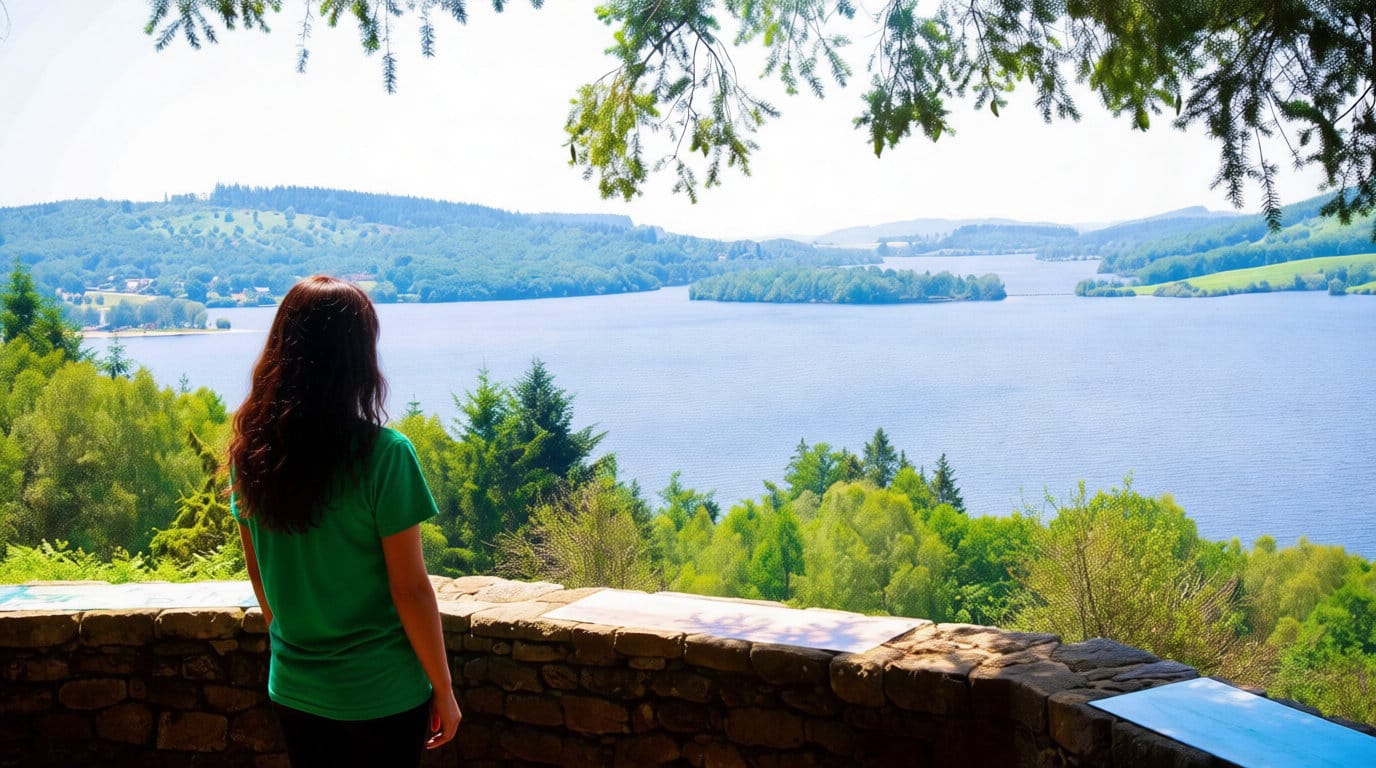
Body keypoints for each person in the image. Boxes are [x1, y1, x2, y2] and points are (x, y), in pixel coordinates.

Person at [229, 275, 461, 767]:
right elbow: (411, 590)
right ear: (357, 360)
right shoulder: (385, 456)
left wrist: (296, 650)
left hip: (295, 689)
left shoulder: (251, 455)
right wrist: (443, 689)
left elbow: (261, 576)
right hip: (383, 693)